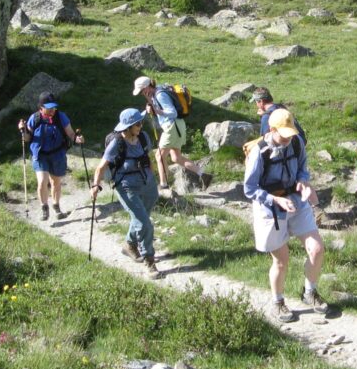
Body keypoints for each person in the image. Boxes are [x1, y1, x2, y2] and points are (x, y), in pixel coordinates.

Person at [243, 108, 328, 323]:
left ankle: (310, 292)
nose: (289, 139)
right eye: (284, 134)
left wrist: (302, 183)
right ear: (271, 130)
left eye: (292, 133)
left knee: (317, 249)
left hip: (296, 201)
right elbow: (250, 189)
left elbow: (303, 170)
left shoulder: (297, 142)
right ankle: (278, 302)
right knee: (282, 259)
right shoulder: (259, 153)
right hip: (270, 208)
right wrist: (276, 200)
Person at [90, 108, 162, 279]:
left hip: (148, 184)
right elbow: (101, 167)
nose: (140, 125)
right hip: (126, 187)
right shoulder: (117, 143)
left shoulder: (143, 137)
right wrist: (95, 186)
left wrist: (154, 180)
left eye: (141, 122)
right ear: (128, 127)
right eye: (137, 123)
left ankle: (129, 245)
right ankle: (150, 261)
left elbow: (147, 159)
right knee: (144, 224)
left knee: (141, 217)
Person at [133, 76, 212, 190]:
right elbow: (162, 109)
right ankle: (203, 175)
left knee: (159, 156)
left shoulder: (160, 95)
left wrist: (156, 111)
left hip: (172, 126)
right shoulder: (157, 92)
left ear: (147, 87)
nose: (141, 93)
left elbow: (172, 112)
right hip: (177, 126)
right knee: (176, 158)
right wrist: (151, 105)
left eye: (141, 90)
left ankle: (163, 185)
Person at [19, 92, 84, 221]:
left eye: (54, 107)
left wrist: (77, 139)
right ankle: (44, 208)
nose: (52, 110)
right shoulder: (35, 118)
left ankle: (56, 205)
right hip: (40, 154)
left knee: (56, 182)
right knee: (42, 181)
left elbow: (70, 133)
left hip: (57, 154)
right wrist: (23, 130)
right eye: (49, 107)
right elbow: (27, 138)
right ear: (41, 107)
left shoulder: (61, 117)